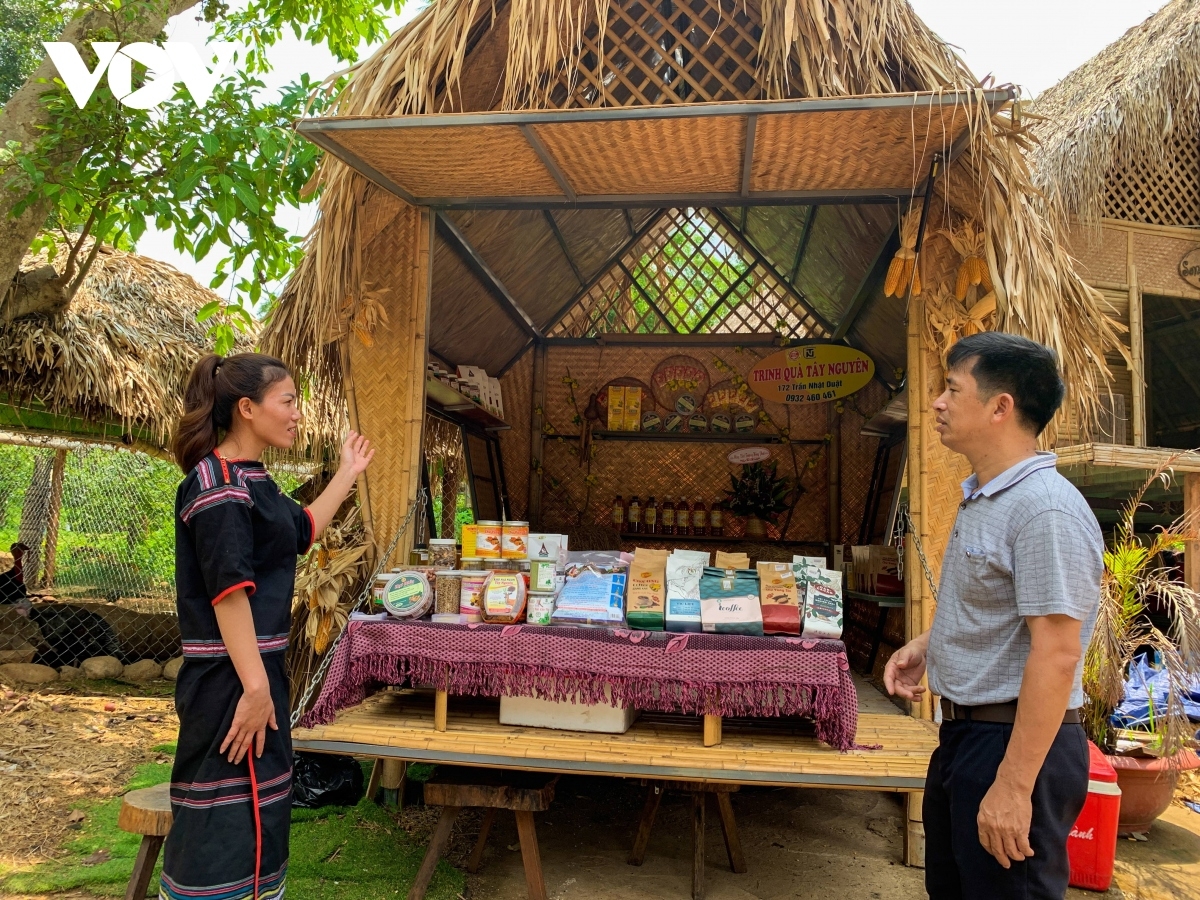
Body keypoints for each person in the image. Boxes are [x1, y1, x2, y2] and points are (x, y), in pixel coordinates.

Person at [884, 332, 1103, 900]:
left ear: (1000, 406)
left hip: (1013, 744)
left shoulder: (1045, 510)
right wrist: (930, 644)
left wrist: (1014, 784)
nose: (937, 403)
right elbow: (1004, 608)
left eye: (953, 390)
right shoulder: (986, 497)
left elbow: (1057, 653)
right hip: (965, 736)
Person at [161, 353, 374, 900]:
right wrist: (255, 690)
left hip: (260, 678)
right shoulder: (217, 485)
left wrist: (349, 472)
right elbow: (229, 594)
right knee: (217, 828)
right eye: (289, 401)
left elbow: (302, 529)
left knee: (261, 822)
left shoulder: (254, 482)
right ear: (248, 409)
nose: (298, 413)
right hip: (230, 683)